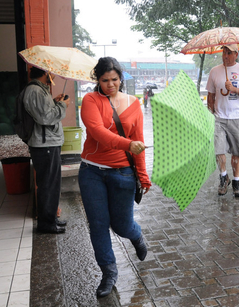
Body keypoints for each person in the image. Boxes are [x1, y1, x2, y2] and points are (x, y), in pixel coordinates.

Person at [78, 57, 152, 298]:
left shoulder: (134, 103)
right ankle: (109, 273)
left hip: (123, 173)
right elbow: (97, 133)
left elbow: (138, 140)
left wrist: (142, 175)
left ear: (121, 78)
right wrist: (129, 144)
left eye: (114, 79)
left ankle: (136, 235)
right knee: (98, 225)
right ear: (97, 80)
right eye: (104, 80)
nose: (110, 84)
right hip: (92, 172)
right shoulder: (90, 100)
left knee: (121, 225)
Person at [24, 67, 70, 234]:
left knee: (50, 184)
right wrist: (62, 106)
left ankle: (50, 219)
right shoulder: (36, 90)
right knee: (48, 185)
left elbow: (45, 112)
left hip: (48, 144)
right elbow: (46, 118)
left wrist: (55, 103)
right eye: (51, 72)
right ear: (46, 73)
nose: (54, 75)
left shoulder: (39, 90)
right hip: (45, 145)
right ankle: (46, 224)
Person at [206, 44, 239, 197]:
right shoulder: (215, 71)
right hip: (219, 118)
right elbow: (211, 95)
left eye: (228, 53)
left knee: (237, 152)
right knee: (218, 151)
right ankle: (224, 176)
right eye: (223, 52)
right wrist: (210, 110)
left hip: (238, 118)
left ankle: (237, 182)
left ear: (236, 54)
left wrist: (234, 89)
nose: (225, 56)